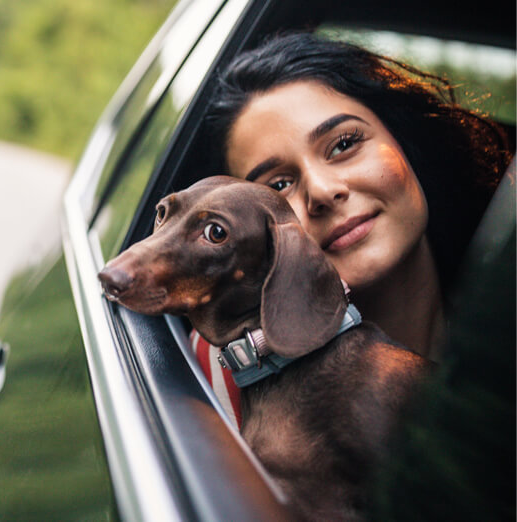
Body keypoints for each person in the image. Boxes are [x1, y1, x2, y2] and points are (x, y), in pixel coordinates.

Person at [190, 32, 512, 429]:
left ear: (404, 141)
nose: (322, 191)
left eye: (343, 144)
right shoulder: (228, 385)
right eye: (277, 186)